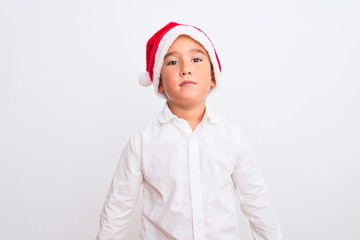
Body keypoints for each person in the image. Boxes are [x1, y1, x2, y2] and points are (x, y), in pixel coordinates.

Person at [96, 22, 282, 240]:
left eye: (196, 59)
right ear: (159, 82)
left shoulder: (231, 137)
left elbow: (257, 201)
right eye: (173, 62)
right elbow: (117, 207)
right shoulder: (143, 141)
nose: (186, 68)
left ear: (213, 77)